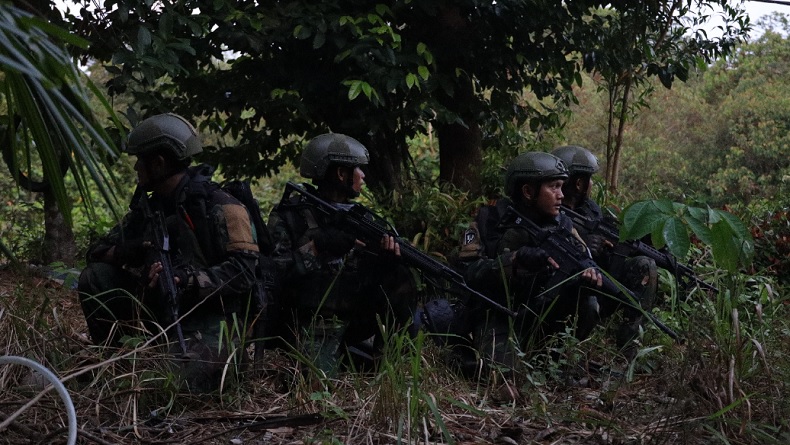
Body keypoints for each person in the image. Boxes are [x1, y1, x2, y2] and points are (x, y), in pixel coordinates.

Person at [77, 113, 260, 392]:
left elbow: (245, 272)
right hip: (158, 313)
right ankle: (115, 359)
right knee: (95, 277)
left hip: (213, 321)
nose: (136, 166)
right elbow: (96, 253)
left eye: (140, 159)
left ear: (159, 163)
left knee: (164, 384)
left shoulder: (222, 207)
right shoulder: (149, 209)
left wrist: (188, 280)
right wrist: (129, 251)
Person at [267, 133, 417, 378]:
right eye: (358, 169)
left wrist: (385, 263)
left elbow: (368, 278)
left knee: (400, 277)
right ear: (340, 173)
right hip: (306, 319)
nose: (363, 176)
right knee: (319, 383)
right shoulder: (291, 216)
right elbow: (275, 273)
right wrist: (318, 246)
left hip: (352, 315)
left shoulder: (362, 219)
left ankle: (391, 371)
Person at [455, 151, 603, 376]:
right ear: (528, 191)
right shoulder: (489, 221)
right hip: (500, 314)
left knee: (589, 303)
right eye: (554, 187)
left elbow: (585, 260)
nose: (561, 195)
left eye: (562, 186)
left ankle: (553, 357)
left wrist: (582, 281)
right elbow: (466, 273)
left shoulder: (563, 225)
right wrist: (513, 261)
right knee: (504, 378)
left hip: (543, 316)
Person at [551, 145, 657, 360]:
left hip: (603, 285)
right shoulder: (551, 213)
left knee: (645, 265)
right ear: (579, 184)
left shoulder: (590, 209)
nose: (592, 185)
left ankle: (628, 348)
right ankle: (562, 355)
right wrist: (584, 245)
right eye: (589, 180)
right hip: (568, 295)